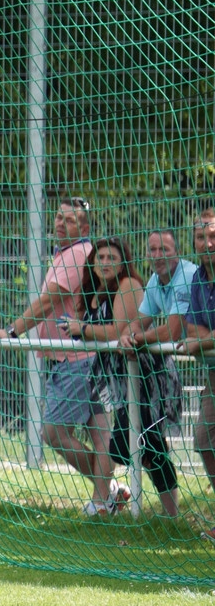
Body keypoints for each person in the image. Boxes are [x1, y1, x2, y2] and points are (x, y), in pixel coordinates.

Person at [0, 197, 124, 515]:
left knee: (53, 433)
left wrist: (11, 332)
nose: (61, 223)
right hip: (84, 359)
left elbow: (48, 302)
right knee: (101, 435)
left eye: (70, 220)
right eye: (59, 217)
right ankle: (107, 498)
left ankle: (105, 495)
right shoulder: (69, 253)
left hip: (76, 360)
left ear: (85, 229)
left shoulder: (78, 253)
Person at [58, 237, 147, 515]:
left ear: (123, 263)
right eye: (101, 257)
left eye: (112, 258)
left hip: (137, 373)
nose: (105, 262)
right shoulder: (93, 291)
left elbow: (118, 331)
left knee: (147, 445)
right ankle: (106, 500)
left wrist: (82, 329)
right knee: (114, 442)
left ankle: (165, 516)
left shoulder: (127, 285)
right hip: (108, 375)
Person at [115, 230, 196, 517]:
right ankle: (166, 514)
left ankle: (111, 498)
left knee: (150, 443)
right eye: (153, 250)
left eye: (164, 249)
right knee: (132, 442)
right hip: (134, 375)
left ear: (177, 251)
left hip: (159, 374)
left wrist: (134, 338)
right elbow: (139, 322)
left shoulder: (187, 276)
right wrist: (128, 336)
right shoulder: (153, 281)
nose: (158, 255)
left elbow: (173, 330)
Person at [181, 208, 215, 540]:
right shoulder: (198, 278)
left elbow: (198, 337)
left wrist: (203, 340)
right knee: (204, 440)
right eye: (201, 237)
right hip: (213, 375)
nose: (207, 243)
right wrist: (203, 338)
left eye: (213, 236)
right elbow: (191, 328)